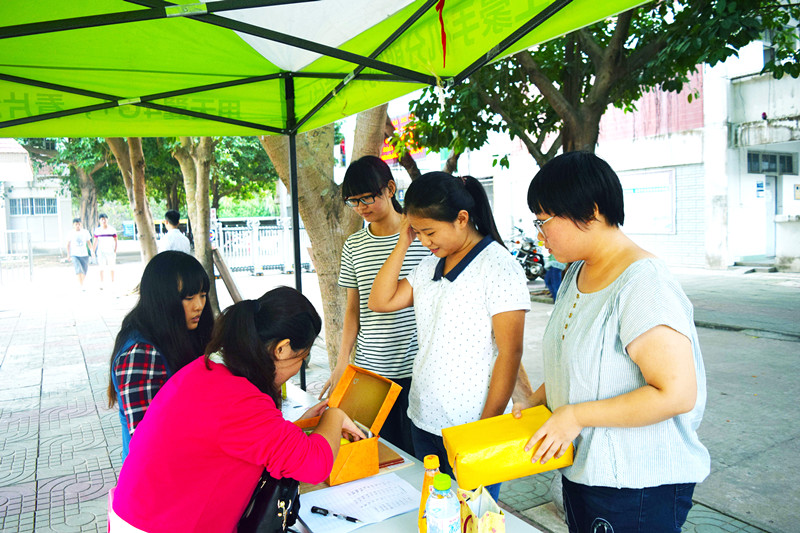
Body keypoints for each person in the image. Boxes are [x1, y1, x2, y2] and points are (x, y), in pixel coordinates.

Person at [513, 152, 709, 533]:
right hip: (584, 471)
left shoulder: (643, 283)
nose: (540, 234)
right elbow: (578, 363)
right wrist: (538, 401)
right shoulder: (576, 273)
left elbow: (676, 394)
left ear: (592, 211)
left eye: (544, 221)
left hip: (637, 486)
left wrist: (575, 416)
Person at [109, 287, 366, 532]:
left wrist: (294, 429)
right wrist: (334, 416)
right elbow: (315, 465)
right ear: (282, 349)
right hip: (162, 525)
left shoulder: (208, 369)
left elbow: (236, 437)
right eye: (302, 357)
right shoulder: (237, 398)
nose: (299, 366)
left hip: (145, 513)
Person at [369, 172, 531, 502]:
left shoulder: (498, 266)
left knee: (473, 514)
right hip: (423, 417)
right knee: (435, 511)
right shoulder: (429, 265)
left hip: (470, 424)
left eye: (429, 232)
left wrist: (484, 430)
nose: (424, 241)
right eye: (417, 232)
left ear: (462, 219)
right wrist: (403, 242)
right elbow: (380, 301)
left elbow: (510, 353)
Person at [318, 155, 429, 455]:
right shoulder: (354, 245)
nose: (360, 208)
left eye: (366, 198)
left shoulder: (423, 239)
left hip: (417, 369)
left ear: (390, 189)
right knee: (376, 451)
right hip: (371, 372)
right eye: (353, 201)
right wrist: (342, 363)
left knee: (416, 453)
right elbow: (352, 310)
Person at [107, 251, 214, 461]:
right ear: (161, 299)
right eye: (188, 298)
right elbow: (145, 438)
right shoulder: (139, 353)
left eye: (202, 295)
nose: (199, 306)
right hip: (158, 472)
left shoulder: (178, 334)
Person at [66, 217, 92, 290]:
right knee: (78, 269)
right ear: (73, 225)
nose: (78, 226)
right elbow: (68, 244)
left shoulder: (85, 232)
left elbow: (89, 243)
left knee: (84, 270)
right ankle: (81, 285)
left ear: (81, 224)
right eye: (76, 224)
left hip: (84, 254)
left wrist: (91, 251)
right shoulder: (71, 233)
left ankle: (82, 282)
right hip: (75, 254)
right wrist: (68, 254)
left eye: (79, 224)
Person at [93, 213, 117, 289]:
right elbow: (95, 241)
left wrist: (115, 250)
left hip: (110, 251)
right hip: (101, 251)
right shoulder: (97, 230)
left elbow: (116, 240)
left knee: (112, 267)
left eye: (105, 219)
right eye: (102, 219)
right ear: (99, 220)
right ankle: (101, 283)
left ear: (107, 219)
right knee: (101, 267)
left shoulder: (112, 230)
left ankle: (113, 282)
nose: (103, 221)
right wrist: (93, 251)